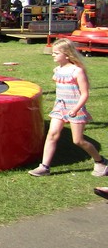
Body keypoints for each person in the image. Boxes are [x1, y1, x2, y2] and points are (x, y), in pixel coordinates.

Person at [29, 38, 107, 177]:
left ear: (67, 54)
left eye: (56, 53)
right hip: (60, 107)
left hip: (75, 108)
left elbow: (84, 94)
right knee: (52, 135)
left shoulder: (77, 71)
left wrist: (75, 109)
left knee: (78, 140)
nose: (53, 55)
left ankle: (100, 161)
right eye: (53, 52)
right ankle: (44, 167)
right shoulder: (57, 70)